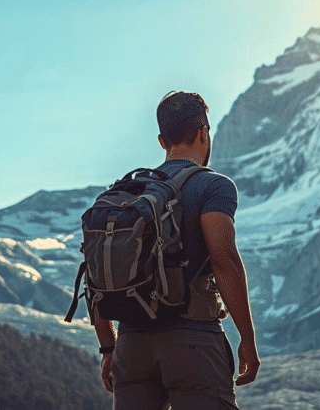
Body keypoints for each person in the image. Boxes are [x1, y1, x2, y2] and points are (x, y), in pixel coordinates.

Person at [93, 91, 260, 410]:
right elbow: (224, 261)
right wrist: (247, 341)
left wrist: (109, 349)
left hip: (131, 346)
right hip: (193, 341)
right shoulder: (213, 186)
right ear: (203, 132)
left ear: (161, 140)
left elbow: (99, 274)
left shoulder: (125, 193)